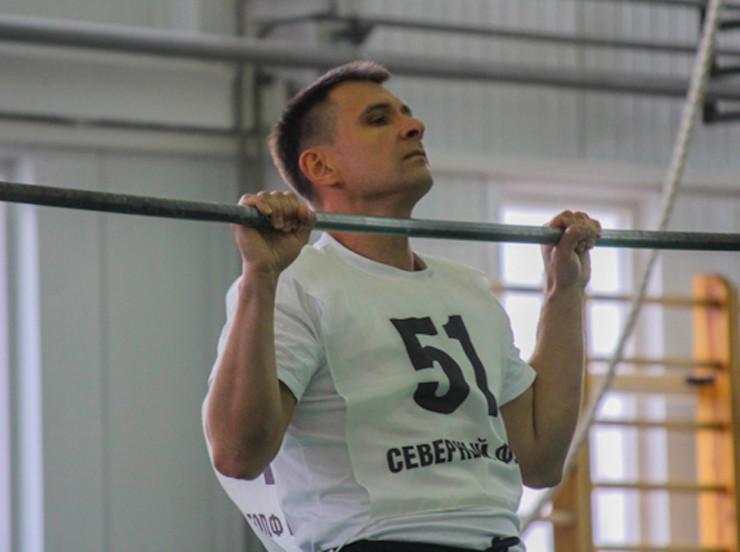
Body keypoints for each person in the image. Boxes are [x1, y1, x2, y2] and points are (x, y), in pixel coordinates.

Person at [204, 61, 602, 552]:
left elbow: (541, 458)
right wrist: (260, 277)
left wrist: (565, 291)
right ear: (321, 167)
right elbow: (237, 455)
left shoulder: (468, 290)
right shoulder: (295, 283)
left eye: (406, 114)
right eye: (378, 119)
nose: (414, 126)